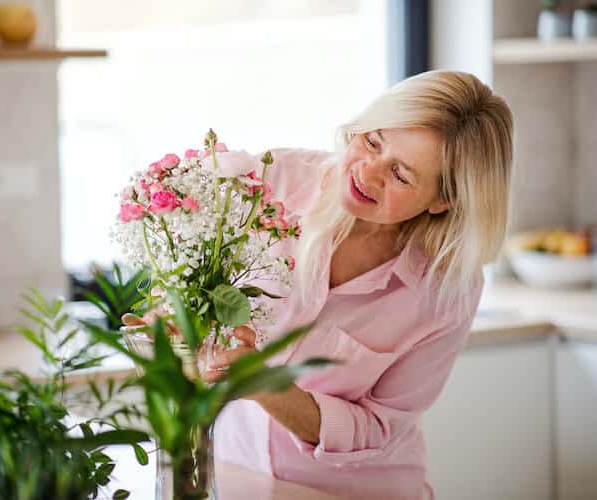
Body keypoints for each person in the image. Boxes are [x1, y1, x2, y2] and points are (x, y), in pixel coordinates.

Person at [201, 70, 514, 500]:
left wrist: (262, 384)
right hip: (237, 474)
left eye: (401, 175)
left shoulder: (447, 290)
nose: (368, 173)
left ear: (443, 200)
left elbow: (376, 426)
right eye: (372, 141)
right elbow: (200, 276)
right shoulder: (278, 183)